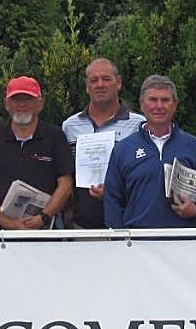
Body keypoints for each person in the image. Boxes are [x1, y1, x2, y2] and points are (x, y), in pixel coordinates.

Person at [104, 75, 196, 228]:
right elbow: (112, 200)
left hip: (184, 243)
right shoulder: (123, 150)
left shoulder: (195, 147)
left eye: (165, 100)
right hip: (137, 244)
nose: (159, 106)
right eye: (153, 100)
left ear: (175, 105)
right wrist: (120, 240)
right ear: (142, 105)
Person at [0, 76, 74, 229]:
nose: (21, 105)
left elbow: (65, 184)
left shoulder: (55, 136)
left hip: (48, 226)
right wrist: (5, 221)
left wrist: (44, 216)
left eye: (28, 99)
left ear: (40, 104)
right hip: (4, 229)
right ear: (7, 104)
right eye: (15, 100)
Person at [61, 58, 144, 228]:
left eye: (106, 79)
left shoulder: (139, 124)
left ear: (118, 83)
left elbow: (144, 174)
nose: (100, 85)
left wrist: (114, 192)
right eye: (94, 80)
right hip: (81, 226)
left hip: (128, 225)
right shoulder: (70, 126)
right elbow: (65, 174)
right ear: (87, 86)